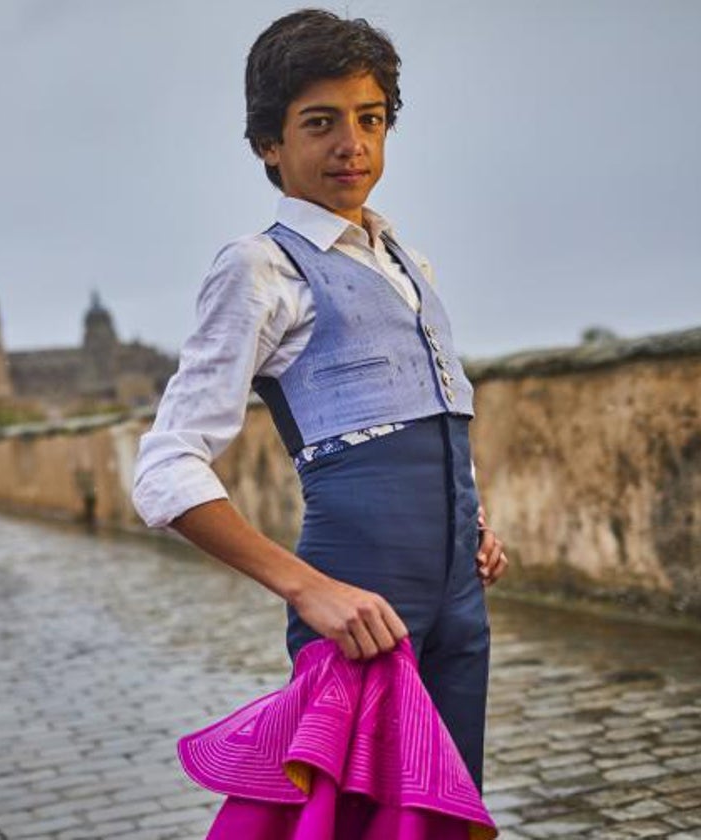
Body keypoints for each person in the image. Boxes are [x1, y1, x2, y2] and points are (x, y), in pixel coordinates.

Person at [131, 6, 510, 800]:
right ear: (270, 144)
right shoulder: (260, 267)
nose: (353, 144)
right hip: (358, 609)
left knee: (446, 812)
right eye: (321, 122)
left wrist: (468, 519)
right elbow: (166, 467)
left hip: (458, 602)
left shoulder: (410, 262)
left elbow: (419, 415)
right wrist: (309, 588)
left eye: (371, 120)